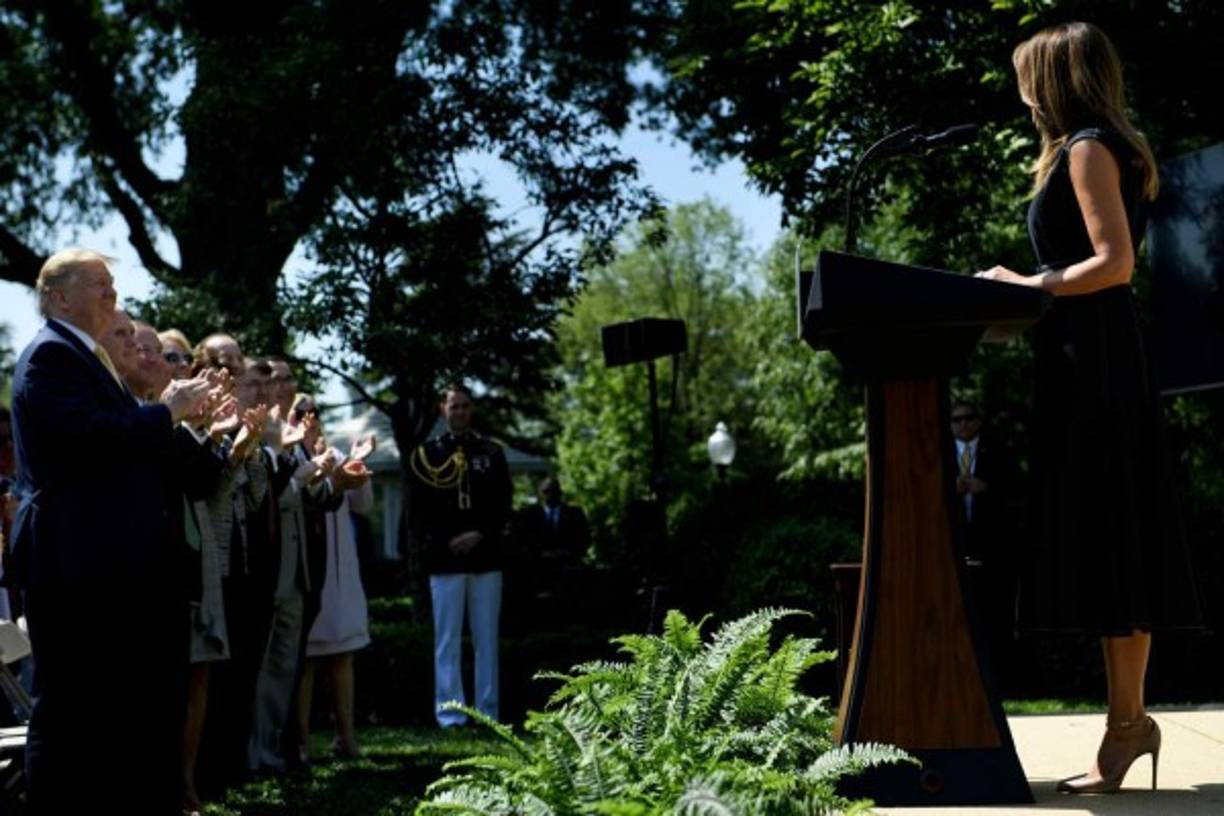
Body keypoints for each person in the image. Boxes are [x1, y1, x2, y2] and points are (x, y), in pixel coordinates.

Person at [977, 22, 1203, 794]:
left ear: (1055, 79)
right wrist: (1017, 305)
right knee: (1116, 541)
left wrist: (1025, 285)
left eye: (1027, 78)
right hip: (1091, 358)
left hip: (1097, 369)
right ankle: (1127, 725)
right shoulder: (1097, 148)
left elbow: (1114, 264)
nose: (1022, 94)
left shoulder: (1086, 150)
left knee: (1116, 536)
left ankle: (1128, 724)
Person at [7, 248, 210, 812]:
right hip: (74, 563)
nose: (111, 291)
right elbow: (92, 438)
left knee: (110, 710)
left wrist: (180, 424)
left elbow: (132, 453)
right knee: (69, 711)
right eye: (98, 282)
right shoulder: (51, 356)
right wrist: (165, 411)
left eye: (112, 282)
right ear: (57, 297)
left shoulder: (87, 357)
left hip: (106, 563)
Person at [410, 383, 512, 727]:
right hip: (445, 559)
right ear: (443, 409)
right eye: (454, 406)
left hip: (486, 556)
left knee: (487, 640)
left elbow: (503, 504)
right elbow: (420, 512)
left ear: (473, 409)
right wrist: (447, 541)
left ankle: (487, 712)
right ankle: (450, 714)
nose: (460, 412)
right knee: (447, 641)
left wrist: (479, 534)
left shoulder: (491, 452)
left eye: (466, 406)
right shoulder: (428, 455)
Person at [295, 398, 376, 760]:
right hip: (308, 564)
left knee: (342, 656)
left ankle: (346, 736)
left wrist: (358, 463)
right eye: (301, 414)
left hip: (340, 569)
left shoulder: (339, 455)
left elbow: (363, 505)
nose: (309, 420)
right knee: (306, 661)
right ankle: (301, 742)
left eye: (314, 413)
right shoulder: (292, 457)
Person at [516, 477, 589, 606]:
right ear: (541, 493)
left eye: (554, 491)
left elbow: (583, 538)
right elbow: (522, 539)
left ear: (560, 493)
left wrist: (566, 552)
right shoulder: (528, 515)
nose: (550, 495)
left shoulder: (574, 514)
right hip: (537, 566)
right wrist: (540, 553)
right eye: (547, 491)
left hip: (567, 565)